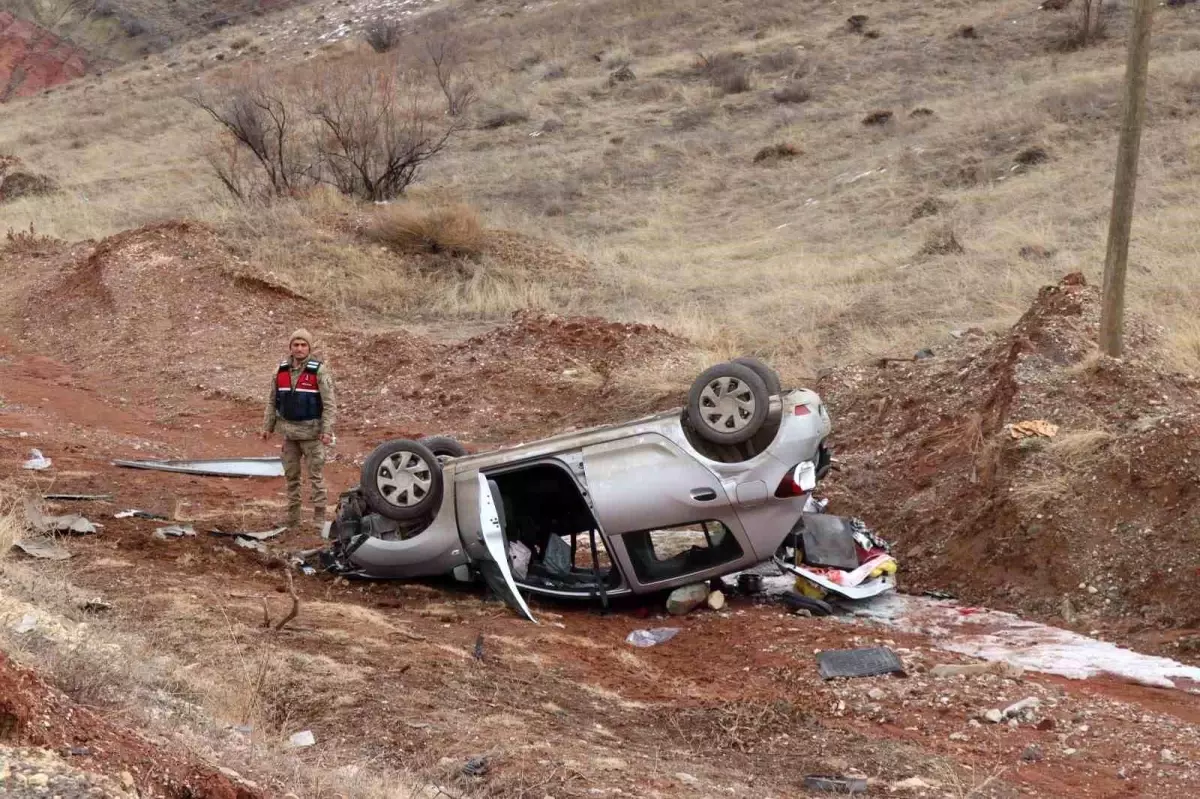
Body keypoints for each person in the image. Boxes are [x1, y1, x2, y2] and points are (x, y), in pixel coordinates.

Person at [261, 329, 337, 530]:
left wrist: (327, 430)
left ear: (309, 347)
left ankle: (319, 520)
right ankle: (293, 520)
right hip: (289, 435)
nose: (299, 348)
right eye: (296, 344)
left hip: (312, 434)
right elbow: (272, 401)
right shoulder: (281, 370)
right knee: (291, 477)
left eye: (304, 345)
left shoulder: (319, 371)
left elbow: (329, 404)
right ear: (290, 347)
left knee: (316, 477)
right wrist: (267, 427)